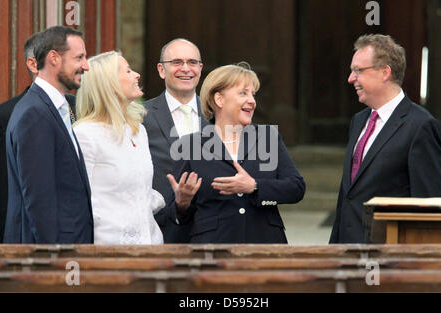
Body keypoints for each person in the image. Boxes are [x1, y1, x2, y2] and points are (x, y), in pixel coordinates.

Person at [165, 62, 306, 243]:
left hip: (264, 246)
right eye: (243, 93)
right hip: (213, 249)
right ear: (219, 100)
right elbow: (176, 216)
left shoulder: (267, 137)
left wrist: (254, 186)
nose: (252, 101)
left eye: (253, 94)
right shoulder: (190, 145)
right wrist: (182, 203)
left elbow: (296, 188)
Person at [329, 34, 441, 244]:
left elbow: (429, 209)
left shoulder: (421, 126)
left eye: (358, 70)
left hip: (388, 259)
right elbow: (347, 197)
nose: (350, 78)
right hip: (347, 253)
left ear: (385, 72)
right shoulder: (359, 121)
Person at [3, 26, 93, 244]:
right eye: (79, 57)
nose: (86, 66)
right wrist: (52, 257)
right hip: (52, 255)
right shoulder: (34, 113)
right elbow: (39, 198)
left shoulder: (55, 107)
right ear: (54, 58)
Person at [74, 51, 165, 244]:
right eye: (129, 71)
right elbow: (79, 202)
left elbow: (139, 191)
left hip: (151, 248)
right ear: (109, 83)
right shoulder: (85, 134)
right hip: (109, 253)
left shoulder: (137, 130)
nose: (137, 75)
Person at [142, 38, 208, 243]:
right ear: (161, 70)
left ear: (200, 68)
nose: (186, 69)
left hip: (212, 228)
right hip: (162, 228)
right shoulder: (140, 117)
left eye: (192, 62)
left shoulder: (218, 115)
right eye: (177, 62)